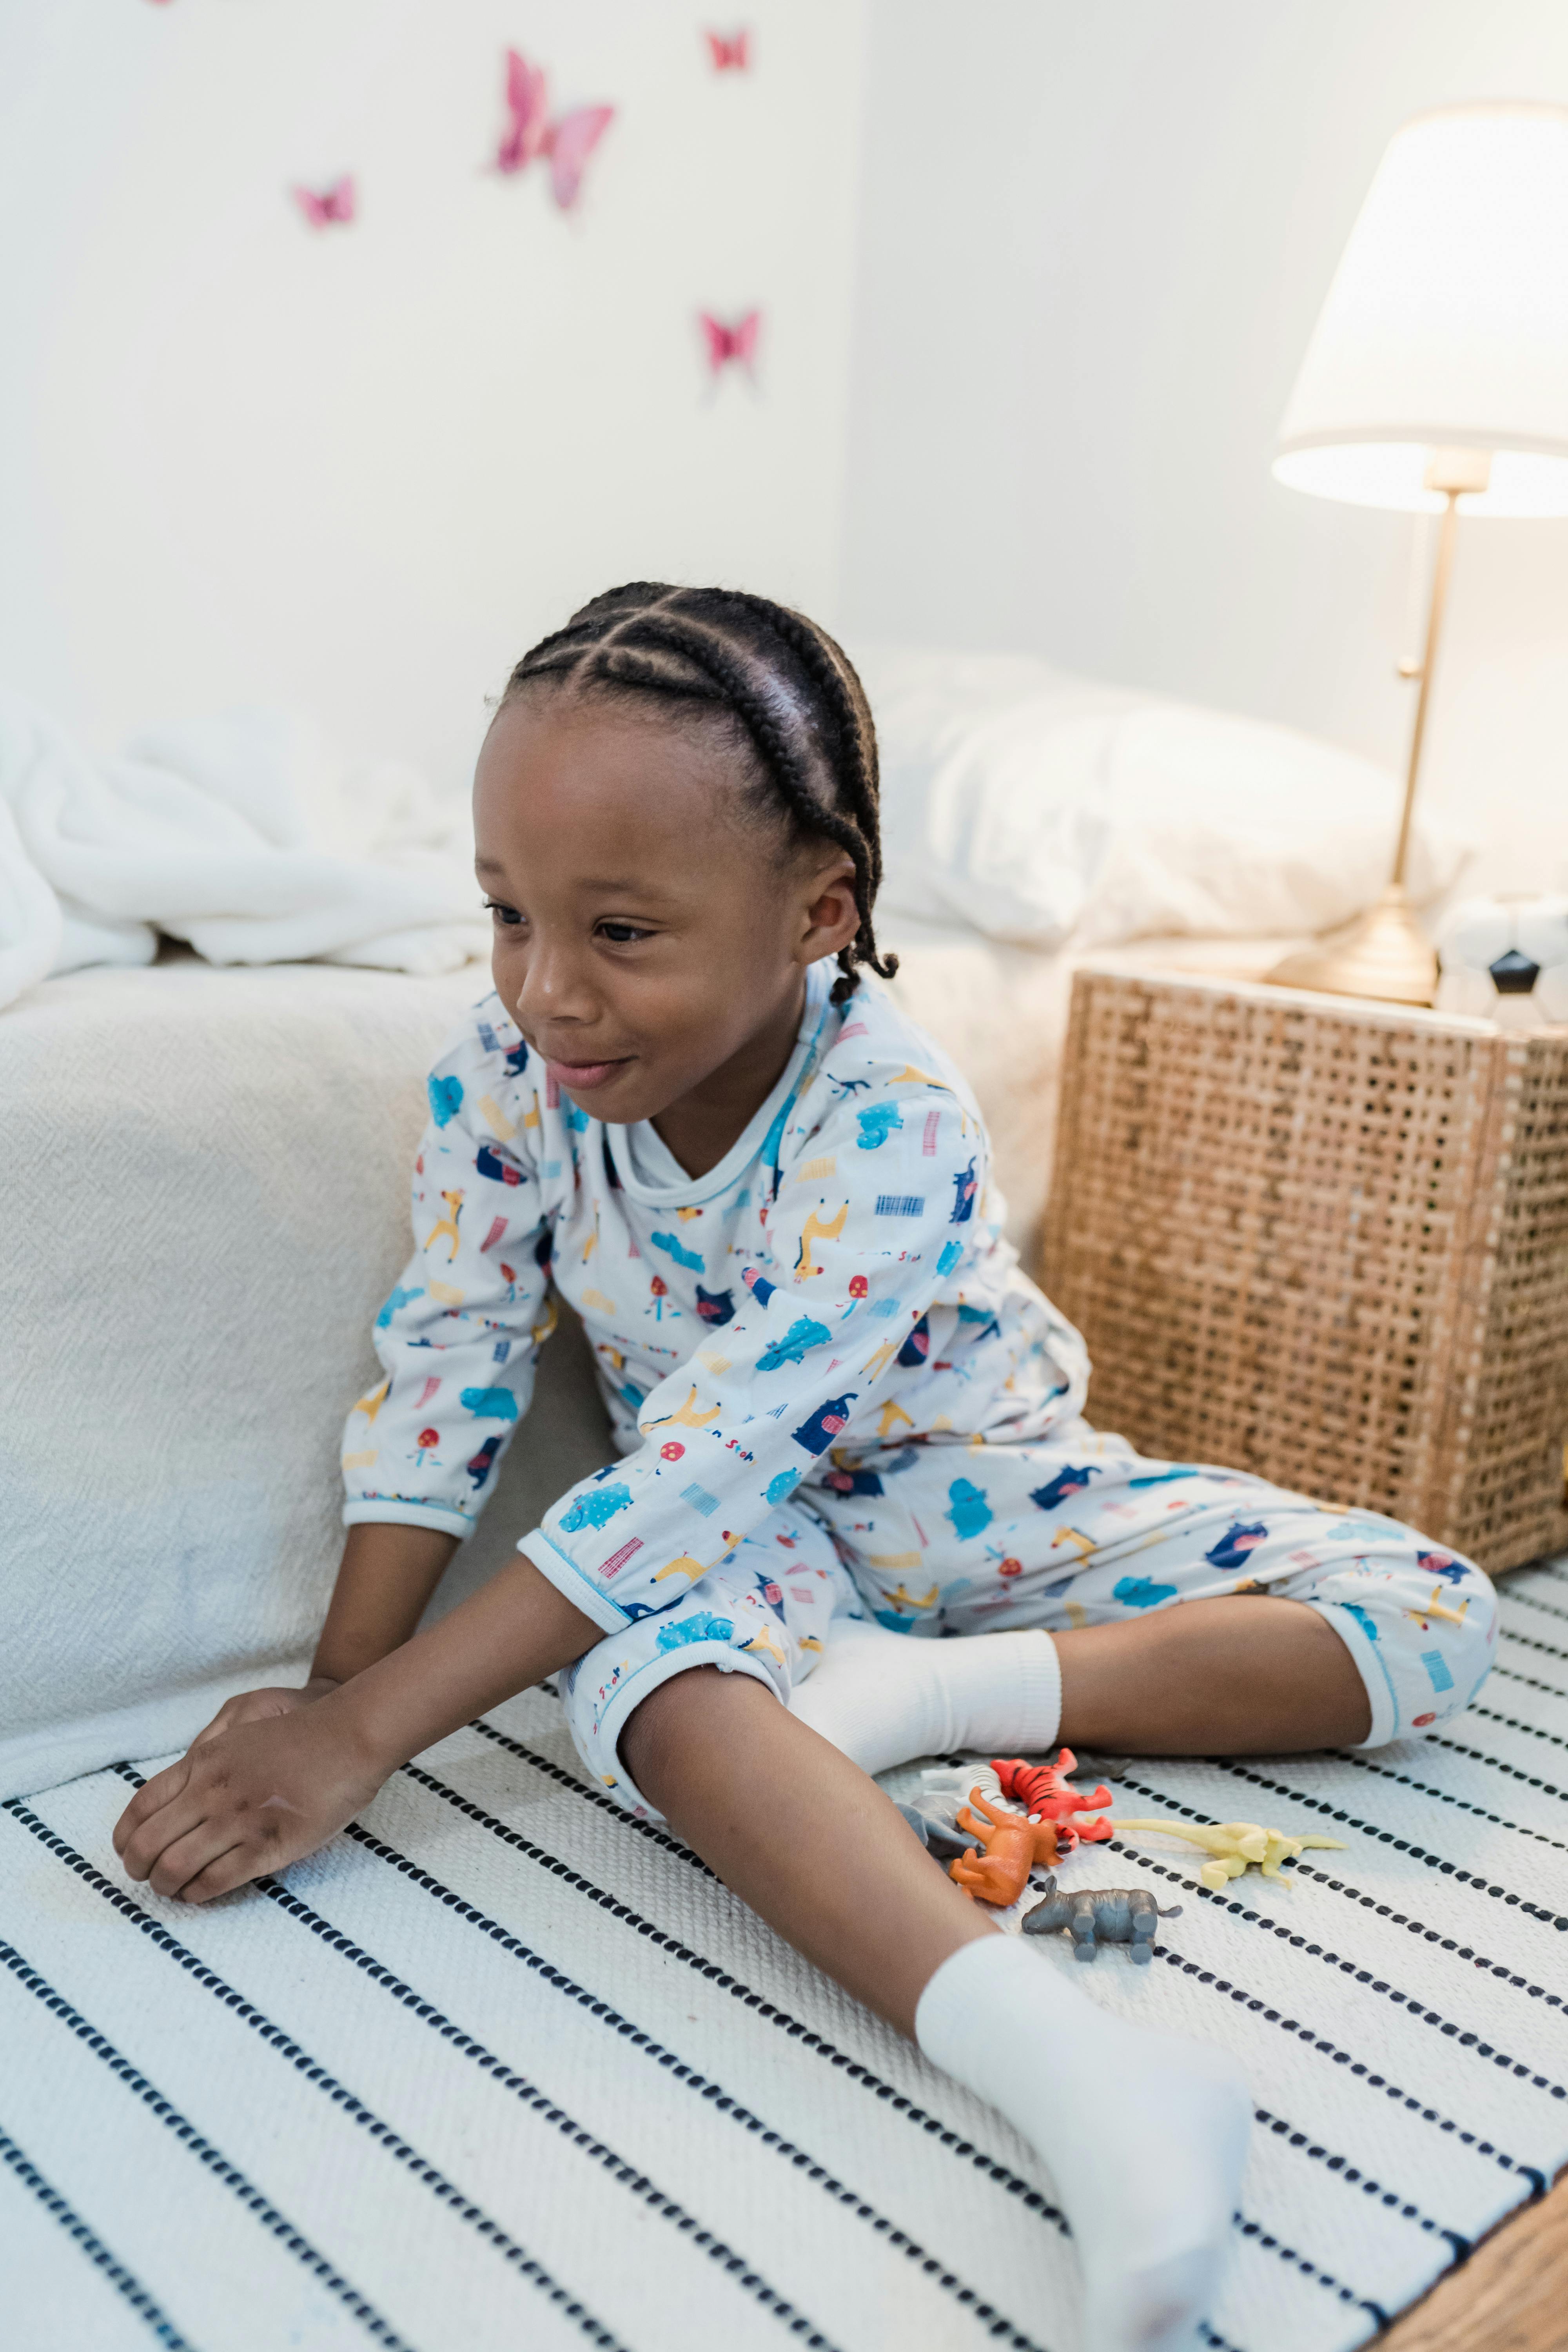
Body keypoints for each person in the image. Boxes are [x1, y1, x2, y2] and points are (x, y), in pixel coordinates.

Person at [114, 583, 1497, 2352]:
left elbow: (706, 1447)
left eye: (618, 929)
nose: (548, 989)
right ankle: (1078, 2077)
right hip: (748, 1545)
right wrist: (328, 1701)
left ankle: (926, 1695)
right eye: (505, 916)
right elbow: (450, 1365)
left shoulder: (892, 1114)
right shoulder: (498, 1078)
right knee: (643, 1688)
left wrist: (372, 1735)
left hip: (970, 1492)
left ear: (819, 909)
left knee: (1433, 1614)